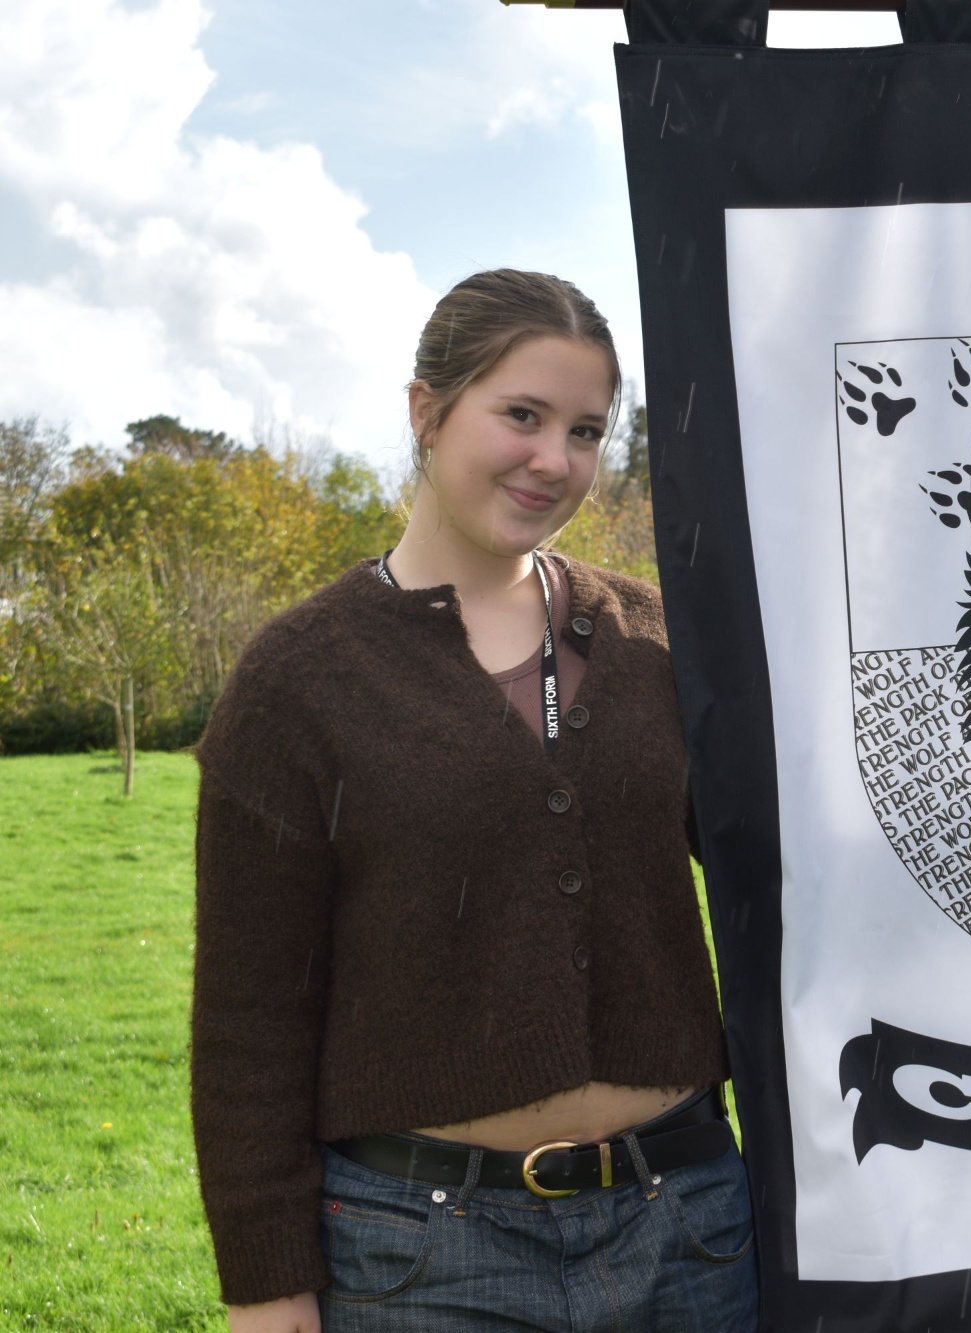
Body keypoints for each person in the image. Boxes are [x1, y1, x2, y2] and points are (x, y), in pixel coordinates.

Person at [190, 269, 757, 1333]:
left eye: (585, 431)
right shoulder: (296, 681)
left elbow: (779, 887)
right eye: (522, 415)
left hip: (690, 1228)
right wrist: (267, 1288)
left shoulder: (658, 643)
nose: (555, 460)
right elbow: (247, 1020)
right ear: (426, 409)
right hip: (422, 1259)